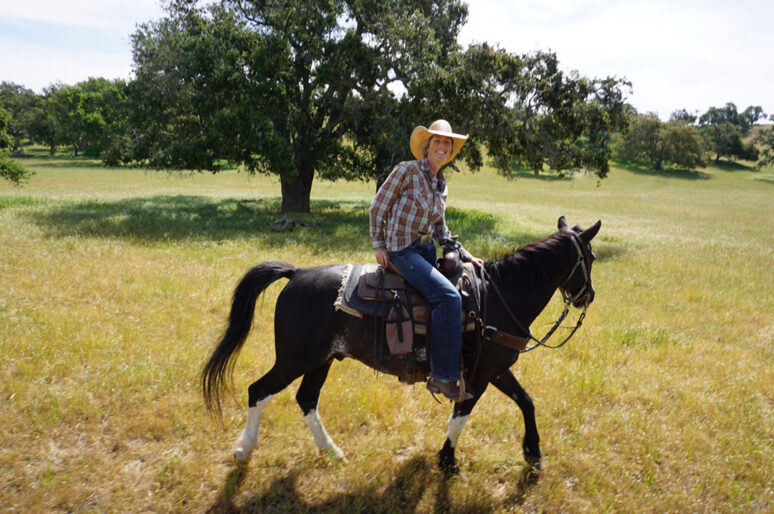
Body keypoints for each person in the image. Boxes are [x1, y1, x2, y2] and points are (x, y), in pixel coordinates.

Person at [369, 119, 484, 402]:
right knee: (448, 298)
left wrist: (466, 255)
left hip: (425, 251)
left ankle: (449, 355)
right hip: (401, 251)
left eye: (447, 143)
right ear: (427, 146)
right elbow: (377, 208)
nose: (442, 147)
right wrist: (379, 245)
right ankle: (442, 377)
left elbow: (439, 231)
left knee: (462, 290)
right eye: (437, 142)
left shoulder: (441, 184)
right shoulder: (406, 171)